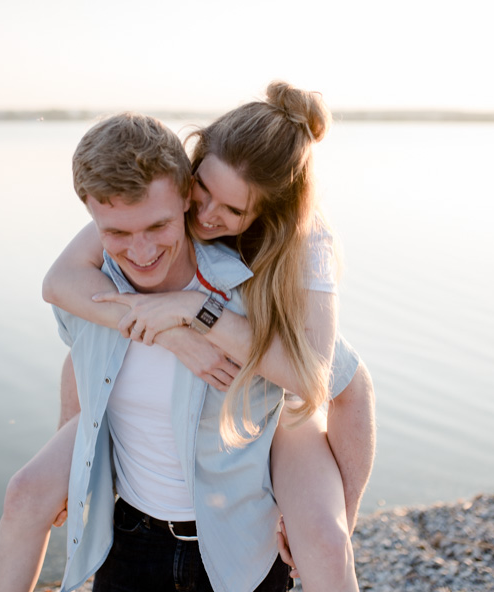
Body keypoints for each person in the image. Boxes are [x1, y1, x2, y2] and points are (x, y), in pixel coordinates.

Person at [43, 83, 375, 590]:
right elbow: (64, 289)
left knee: (327, 545)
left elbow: (322, 382)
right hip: (227, 400)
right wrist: (168, 332)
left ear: (268, 213)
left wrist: (198, 311)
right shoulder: (160, 212)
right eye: (203, 190)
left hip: (280, 403)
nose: (205, 215)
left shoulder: (306, 242)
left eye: (233, 211)